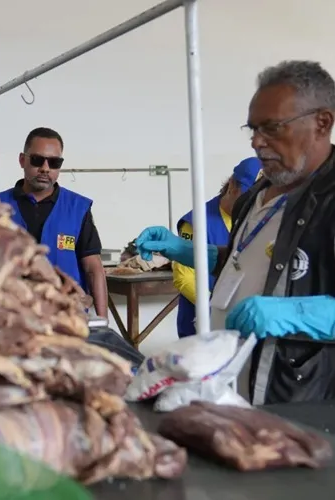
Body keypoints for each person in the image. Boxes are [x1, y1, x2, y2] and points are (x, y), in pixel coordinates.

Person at [134, 60, 335, 404]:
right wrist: (186, 251)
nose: (257, 142)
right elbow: (246, 263)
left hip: (298, 395)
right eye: (253, 129)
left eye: (272, 128)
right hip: (232, 383)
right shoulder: (257, 195)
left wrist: (292, 314)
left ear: (322, 123)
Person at [0, 127, 108, 318]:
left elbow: (94, 268)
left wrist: (102, 321)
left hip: (68, 314)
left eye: (54, 162)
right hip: (15, 315)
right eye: (37, 160)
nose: (45, 168)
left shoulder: (77, 208)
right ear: (22, 160)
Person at [173, 158, 262, 337]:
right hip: (200, 323)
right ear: (232, 185)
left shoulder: (257, 220)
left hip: (242, 323)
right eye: (246, 196)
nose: (250, 203)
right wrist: (215, 308)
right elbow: (184, 277)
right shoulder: (197, 221)